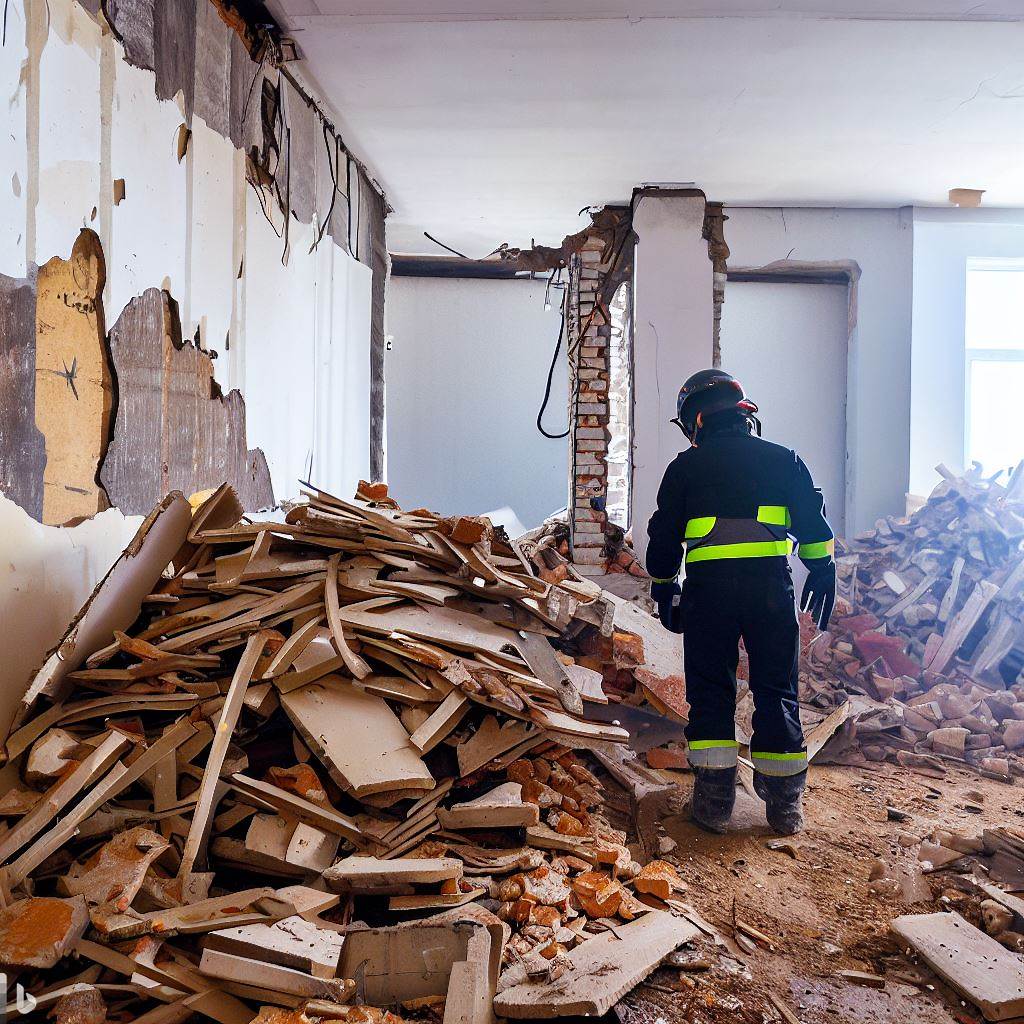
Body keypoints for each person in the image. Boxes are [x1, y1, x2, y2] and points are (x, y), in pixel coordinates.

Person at [646, 368, 836, 835]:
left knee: (711, 691)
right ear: (741, 413)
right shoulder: (783, 460)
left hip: (708, 593)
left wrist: (665, 585)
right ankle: (785, 806)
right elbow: (812, 526)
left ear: (695, 420)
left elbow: (664, 539)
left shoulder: (684, 469)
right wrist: (822, 568)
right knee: (777, 691)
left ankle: (714, 803)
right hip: (770, 590)